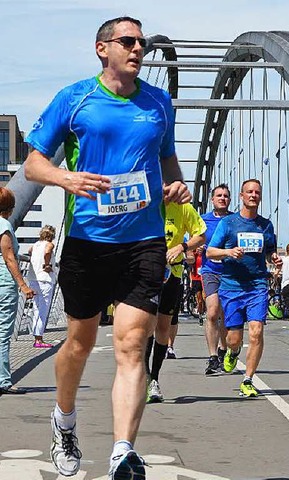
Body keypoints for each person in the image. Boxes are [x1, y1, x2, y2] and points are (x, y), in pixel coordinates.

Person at [23, 16, 191, 479]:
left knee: (133, 344)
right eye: (128, 41)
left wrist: (178, 185)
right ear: (102, 49)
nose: (139, 49)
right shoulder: (75, 98)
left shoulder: (158, 102)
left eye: (143, 43)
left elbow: (167, 158)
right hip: (87, 241)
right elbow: (33, 164)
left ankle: (122, 452)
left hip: (144, 240)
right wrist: (65, 177)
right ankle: (65, 420)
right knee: (80, 343)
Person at [206, 179, 282, 397]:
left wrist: (274, 258)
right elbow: (211, 252)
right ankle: (233, 351)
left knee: (257, 331)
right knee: (234, 338)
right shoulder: (229, 223)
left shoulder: (266, 225)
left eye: (257, 192)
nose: (253, 195)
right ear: (241, 196)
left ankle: (248, 380)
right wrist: (229, 252)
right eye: (249, 192)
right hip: (231, 286)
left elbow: (269, 251)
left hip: (257, 285)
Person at [145, 201, 205, 403]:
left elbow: (201, 235)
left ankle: (154, 378)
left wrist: (182, 246)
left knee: (162, 327)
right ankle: (144, 377)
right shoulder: (145, 201)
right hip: (144, 274)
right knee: (145, 325)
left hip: (172, 274)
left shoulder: (183, 208)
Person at [0, 187, 36, 395]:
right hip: (4, 284)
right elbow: (9, 257)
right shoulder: (4, 225)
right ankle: (4, 381)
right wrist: (23, 285)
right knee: (3, 334)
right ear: (10, 208)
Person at [200, 184, 231, 375]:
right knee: (212, 312)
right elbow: (194, 239)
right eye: (218, 195)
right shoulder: (203, 221)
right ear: (212, 199)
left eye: (226, 196)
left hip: (230, 272)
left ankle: (223, 350)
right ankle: (212, 357)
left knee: (226, 315)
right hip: (210, 270)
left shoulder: (235, 220)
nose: (222, 198)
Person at [28, 225, 57, 348]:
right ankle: (39, 339)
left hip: (33, 279)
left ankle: (36, 336)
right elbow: (48, 251)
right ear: (51, 235)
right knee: (43, 309)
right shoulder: (49, 244)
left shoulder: (35, 245)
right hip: (45, 279)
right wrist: (46, 264)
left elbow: (29, 252)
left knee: (36, 307)